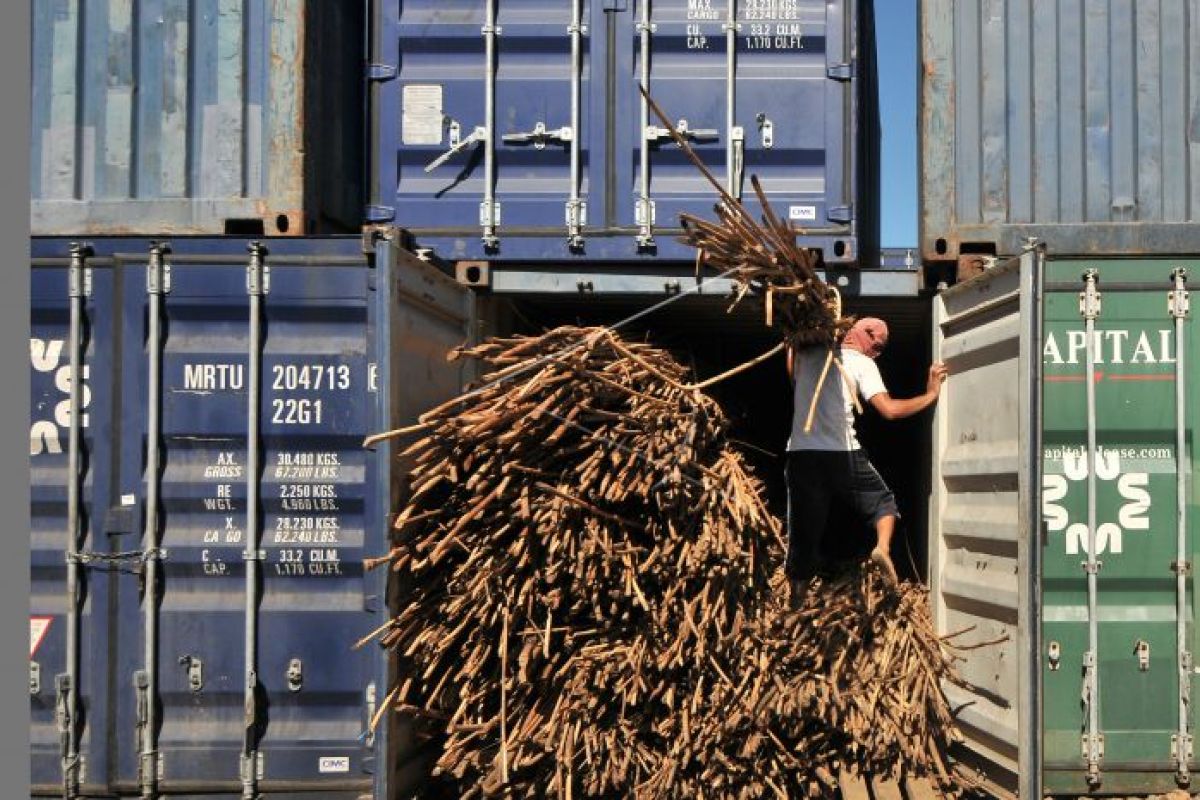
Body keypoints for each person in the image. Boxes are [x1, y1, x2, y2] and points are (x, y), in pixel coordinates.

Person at [785, 317, 947, 583]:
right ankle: (882, 548)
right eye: (878, 346)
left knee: (804, 531)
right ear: (866, 336)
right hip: (842, 451)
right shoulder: (861, 362)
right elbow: (889, 410)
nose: (877, 353)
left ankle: (797, 594)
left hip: (801, 455)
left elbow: (792, 372)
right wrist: (930, 395)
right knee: (883, 503)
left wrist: (792, 341)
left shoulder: (808, 354)